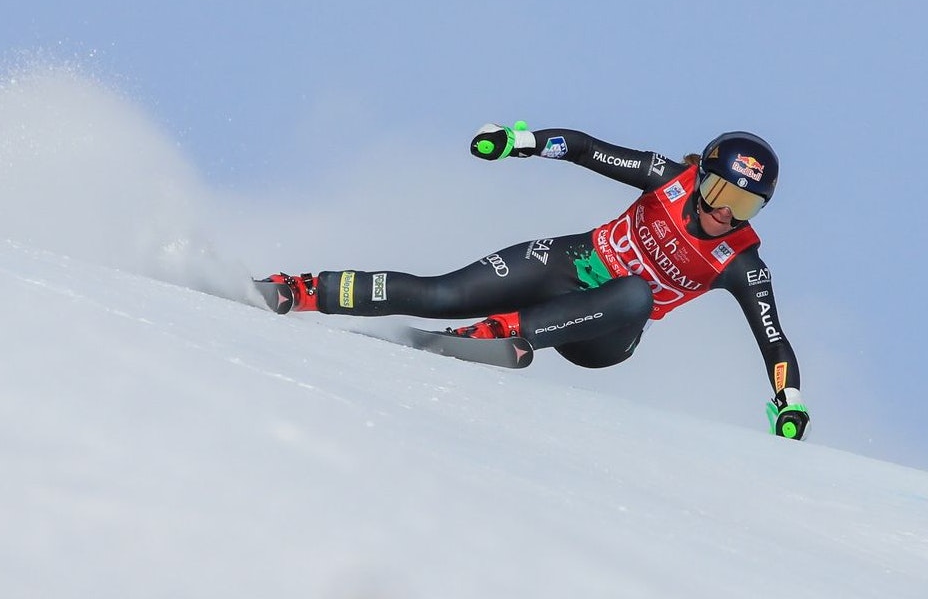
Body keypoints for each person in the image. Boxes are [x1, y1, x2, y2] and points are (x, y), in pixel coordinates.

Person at [260, 122, 811, 440]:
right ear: (702, 179)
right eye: (720, 194)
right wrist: (517, 141)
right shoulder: (668, 178)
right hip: (566, 264)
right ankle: (302, 290)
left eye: (746, 206)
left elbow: (773, 337)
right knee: (441, 293)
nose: (726, 215)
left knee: (637, 293)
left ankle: (500, 333)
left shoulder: (741, 260)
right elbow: (580, 146)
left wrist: (787, 400)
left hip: (601, 331)